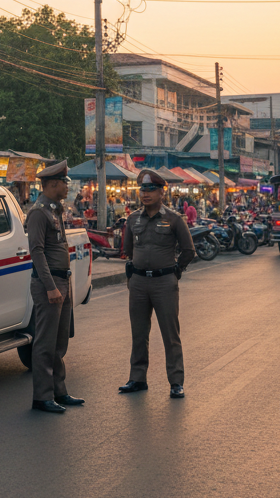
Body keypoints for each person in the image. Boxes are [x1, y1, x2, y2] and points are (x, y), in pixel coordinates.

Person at [119, 169, 196, 399]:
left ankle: (176, 382)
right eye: (142, 189)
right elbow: (128, 251)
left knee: (170, 334)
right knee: (138, 333)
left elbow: (189, 250)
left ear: (162, 192)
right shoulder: (133, 220)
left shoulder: (173, 219)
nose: (145, 194)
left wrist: (175, 272)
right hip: (139, 283)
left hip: (164, 282)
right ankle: (137, 378)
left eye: (151, 189)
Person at [26, 160, 84, 413]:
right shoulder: (39, 212)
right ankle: (42, 396)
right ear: (51, 184)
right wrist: (50, 287)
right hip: (49, 284)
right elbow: (37, 252)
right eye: (64, 183)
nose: (67, 187)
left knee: (60, 342)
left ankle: (59, 391)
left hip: (63, 280)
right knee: (45, 343)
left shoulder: (55, 210)